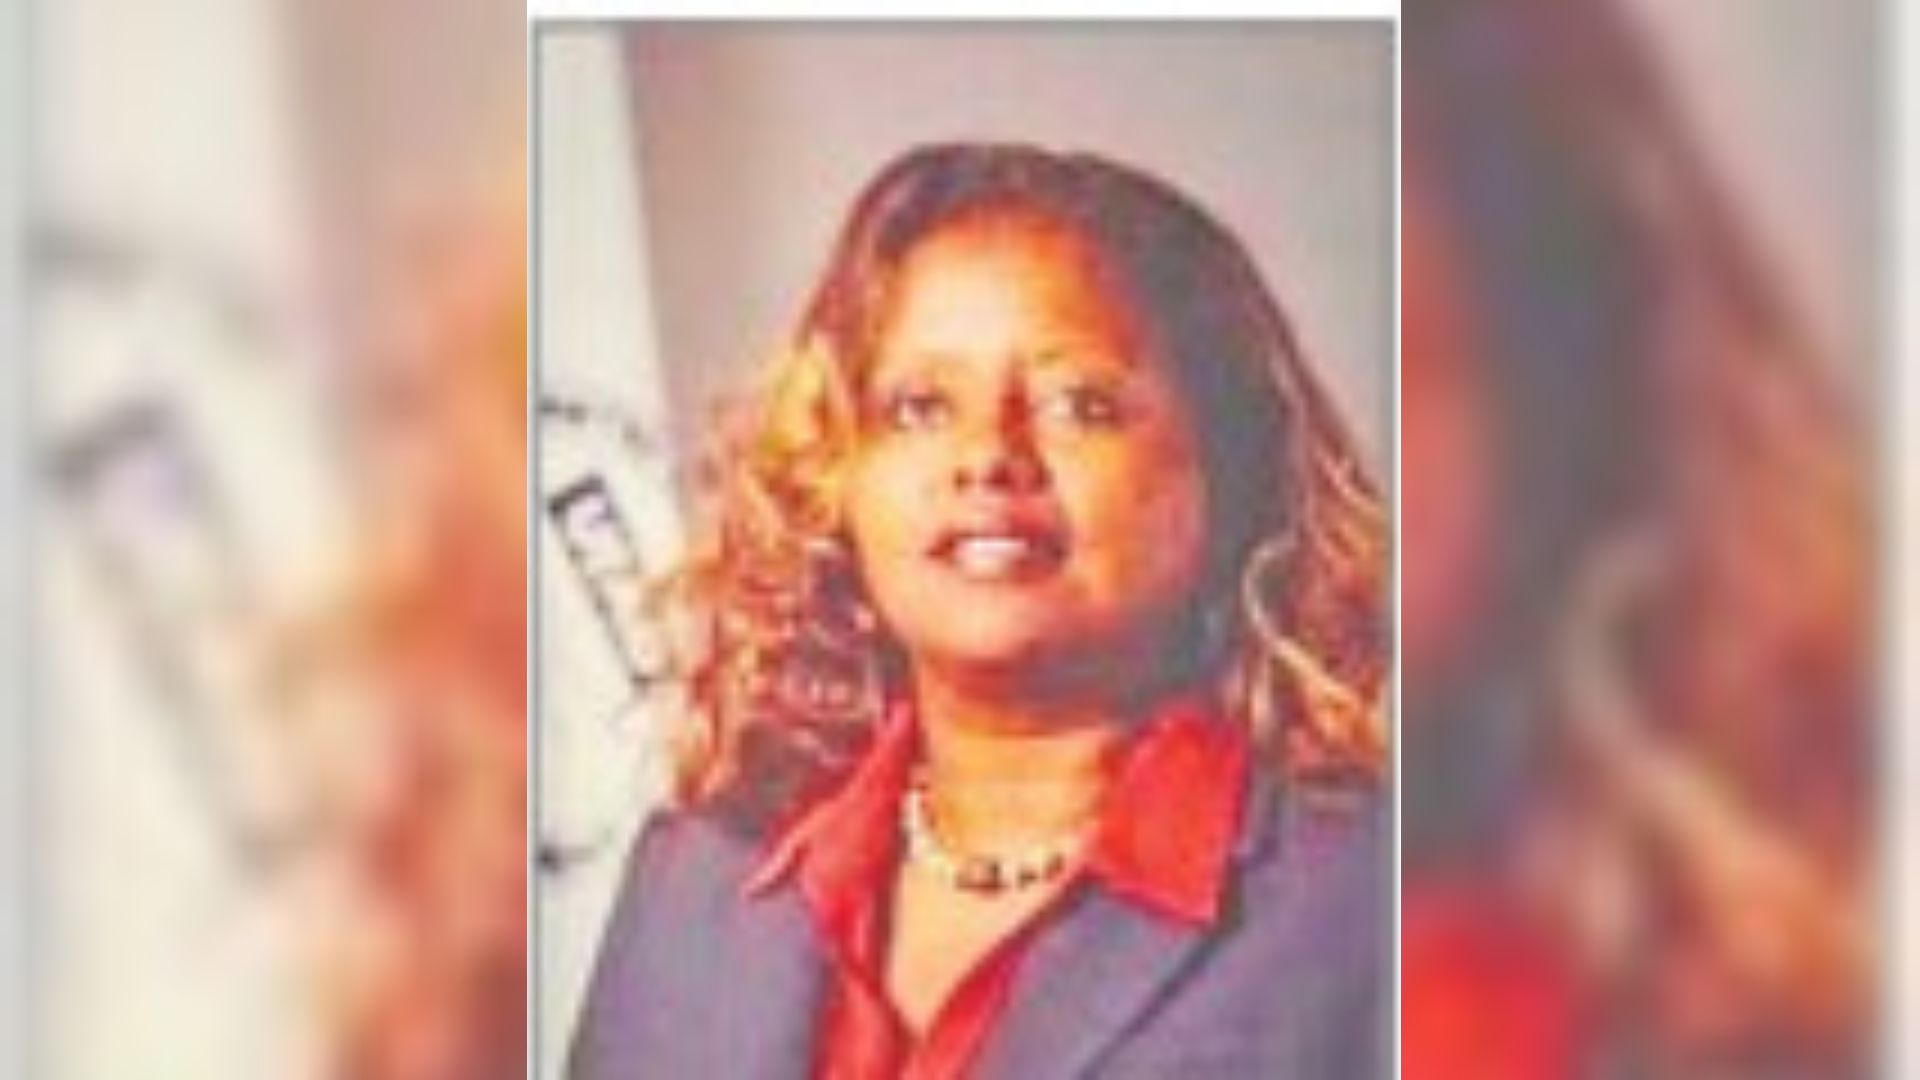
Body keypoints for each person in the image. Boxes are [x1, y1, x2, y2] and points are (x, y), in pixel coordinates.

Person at [570, 142, 1388, 1079]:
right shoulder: (693, 885)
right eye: (920, 407)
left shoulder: (1367, 904)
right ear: (838, 476)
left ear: (1230, 467)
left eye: (1079, 403)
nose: (988, 455)